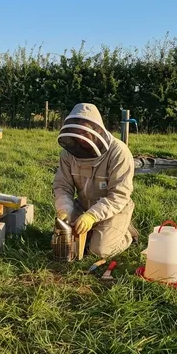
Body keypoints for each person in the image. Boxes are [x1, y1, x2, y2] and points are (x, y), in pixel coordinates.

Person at [53, 103, 137, 257]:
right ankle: (94, 231)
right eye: (77, 133)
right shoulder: (68, 154)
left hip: (115, 208)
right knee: (62, 238)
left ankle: (127, 233)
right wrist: (64, 209)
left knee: (99, 251)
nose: (82, 140)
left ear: (96, 130)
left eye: (85, 133)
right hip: (84, 205)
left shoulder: (119, 152)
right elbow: (62, 186)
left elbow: (119, 195)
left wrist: (92, 216)